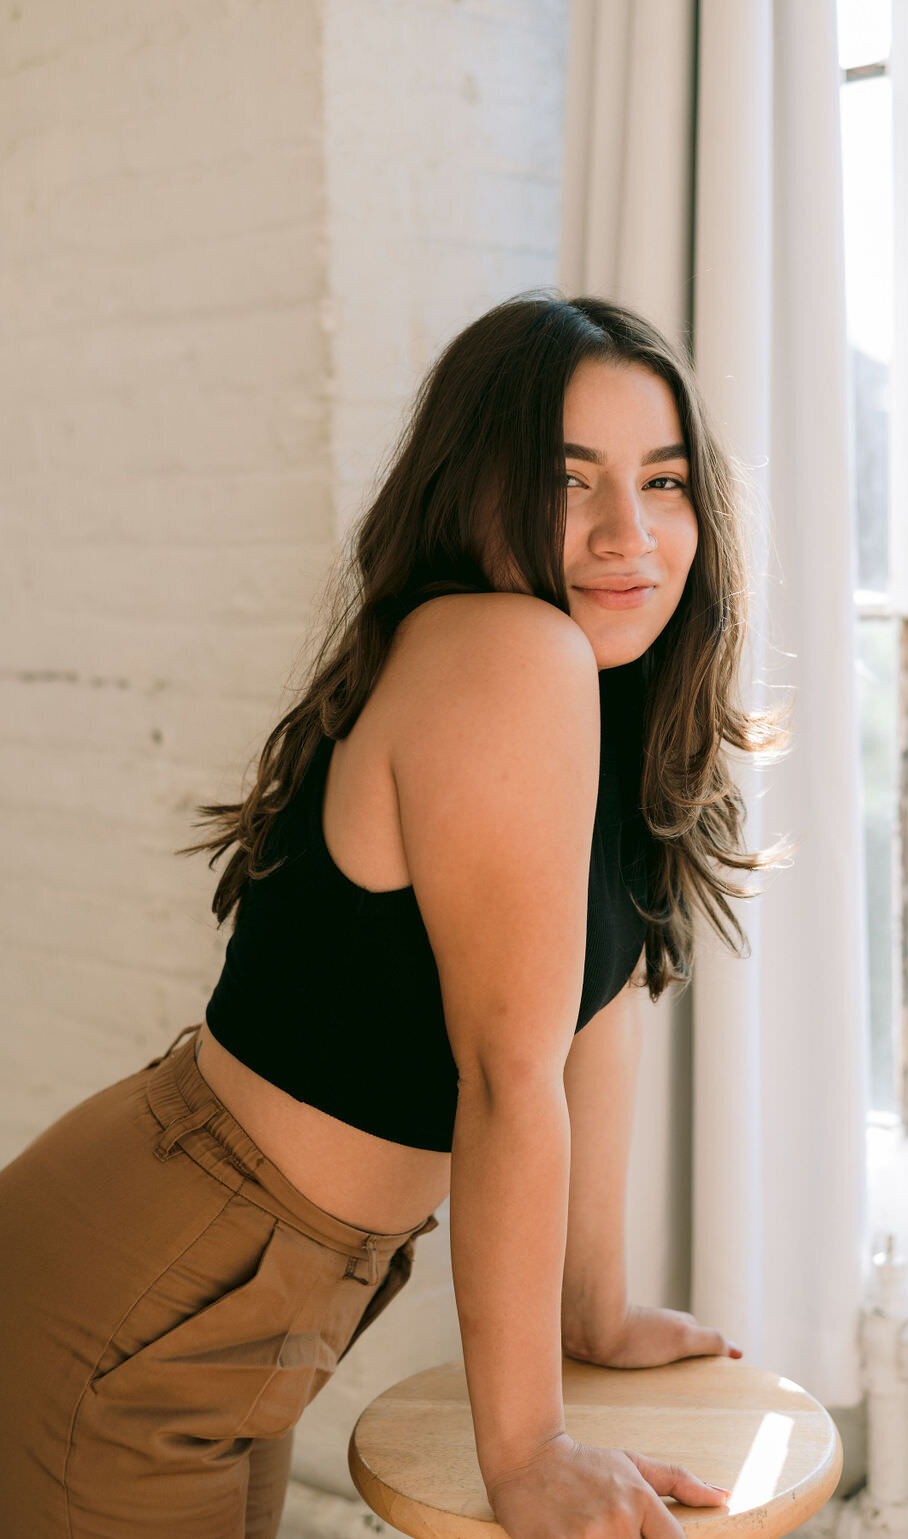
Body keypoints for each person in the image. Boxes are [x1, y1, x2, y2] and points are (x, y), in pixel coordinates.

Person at [0, 291, 792, 1538]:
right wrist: (525, 1450)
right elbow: (503, 1073)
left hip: (226, 1305)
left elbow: (596, 1004)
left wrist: (596, 1310)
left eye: (664, 481)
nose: (626, 532)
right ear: (474, 487)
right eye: (567, 480)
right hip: (136, 1301)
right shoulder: (505, 653)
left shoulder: (593, 689)